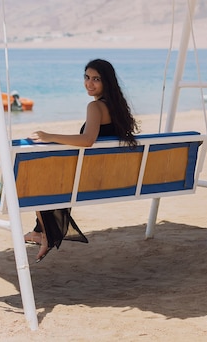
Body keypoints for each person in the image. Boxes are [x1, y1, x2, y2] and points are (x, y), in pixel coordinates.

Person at [26, 58, 139, 262]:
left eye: (96, 79)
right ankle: (39, 232)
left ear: (107, 82)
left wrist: (49, 136)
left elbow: (87, 140)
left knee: (39, 182)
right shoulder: (117, 108)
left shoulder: (95, 107)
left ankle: (46, 234)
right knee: (51, 175)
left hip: (90, 179)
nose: (89, 83)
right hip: (112, 176)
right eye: (86, 77)